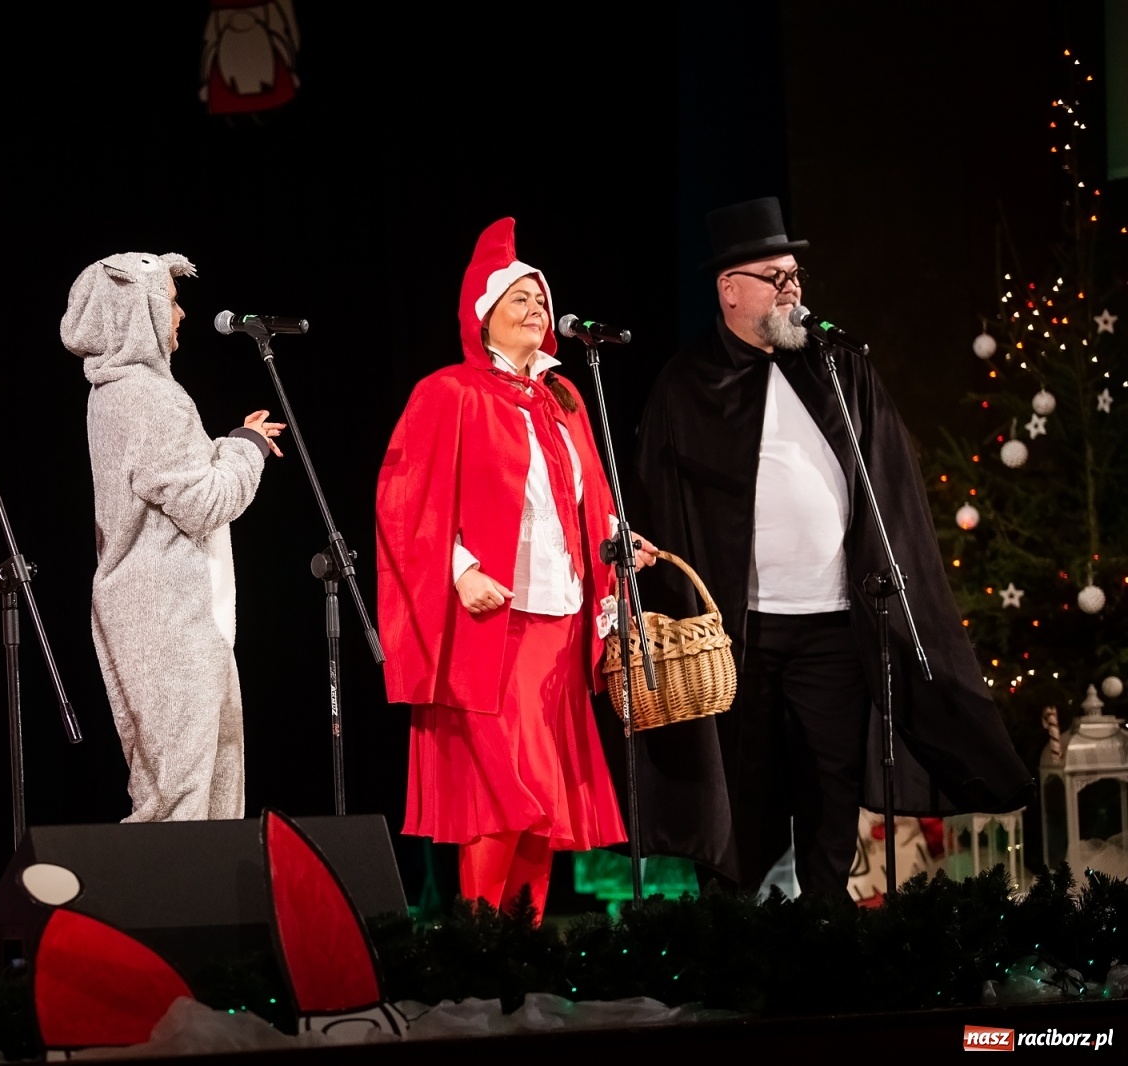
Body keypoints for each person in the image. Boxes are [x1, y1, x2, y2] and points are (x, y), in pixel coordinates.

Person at [628, 196, 1032, 900]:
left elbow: (893, 493)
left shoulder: (841, 371)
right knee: (744, 791)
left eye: (795, 276)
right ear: (729, 290)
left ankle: (826, 943)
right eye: (773, 277)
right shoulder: (687, 385)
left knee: (829, 787)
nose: (791, 290)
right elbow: (654, 503)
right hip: (736, 635)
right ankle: (733, 950)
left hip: (830, 627)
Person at [376, 218, 649, 918]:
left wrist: (620, 542)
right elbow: (404, 501)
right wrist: (458, 568)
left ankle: (519, 949)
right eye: (519, 298)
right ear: (483, 317)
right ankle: (478, 941)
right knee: (504, 789)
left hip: (561, 616)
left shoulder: (564, 399)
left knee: (545, 802)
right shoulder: (449, 394)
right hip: (497, 624)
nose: (536, 308)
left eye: (540, 298)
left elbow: (588, 493)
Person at [61, 252, 285, 822]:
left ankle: (205, 908)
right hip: (165, 616)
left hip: (156, 611)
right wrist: (245, 448)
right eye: (169, 300)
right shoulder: (148, 397)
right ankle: (164, 909)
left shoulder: (115, 394)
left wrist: (226, 447)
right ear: (136, 312)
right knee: (181, 798)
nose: (181, 313)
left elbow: (168, 484)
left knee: (200, 784)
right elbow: (206, 503)